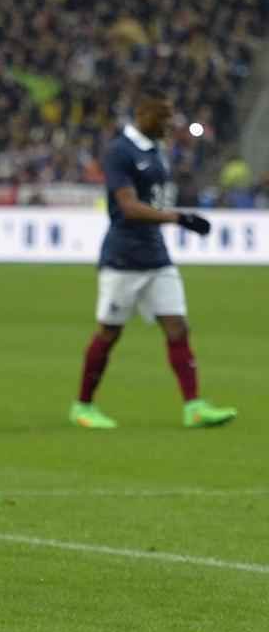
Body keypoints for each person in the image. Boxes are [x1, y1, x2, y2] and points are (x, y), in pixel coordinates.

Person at [70, 93, 236, 429]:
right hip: (123, 257)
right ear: (144, 116)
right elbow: (129, 207)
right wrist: (178, 218)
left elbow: (152, 200)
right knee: (109, 332)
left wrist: (175, 217)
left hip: (156, 255)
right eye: (164, 118)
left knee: (177, 327)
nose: (170, 125)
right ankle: (82, 406)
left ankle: (194, 407)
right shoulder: (120, 151)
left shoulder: (156, 150)